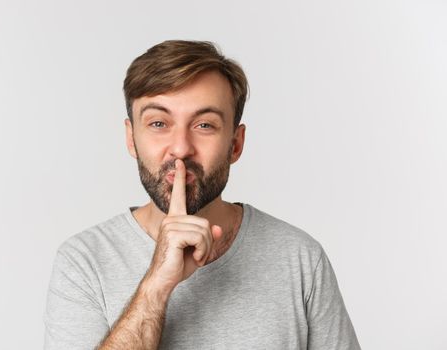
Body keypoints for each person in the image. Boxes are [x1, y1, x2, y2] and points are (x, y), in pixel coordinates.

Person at [43, 40, 361, 350]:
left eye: (204, 125)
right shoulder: (83, 261)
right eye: (158, 123)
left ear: (235, 143)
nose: (181, 148)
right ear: (131, 138)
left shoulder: (300, 258)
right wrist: (155, 287)